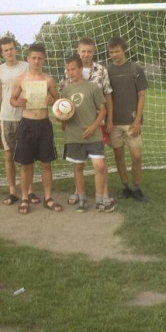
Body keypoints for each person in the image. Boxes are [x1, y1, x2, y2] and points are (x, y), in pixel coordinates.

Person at [59, 37, 113, 206]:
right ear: (78, 51)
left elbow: (108, 96)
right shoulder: (68, 73)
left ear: (94, 52)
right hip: (75, 125)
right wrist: (62, 119)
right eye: (83, 51)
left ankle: (103, 195)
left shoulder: (101, 70)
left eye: (89, 51)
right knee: (78, 163)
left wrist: (109, 119)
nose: (86, 54)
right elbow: (63, 100)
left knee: (100, 162)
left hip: (97, 123)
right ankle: (78, 193)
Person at [10, 43, 62, 215]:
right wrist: (17, 103)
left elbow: (58, 100)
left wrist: (52, 101)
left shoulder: (48, 79)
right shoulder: (21, 79)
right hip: (27, 123)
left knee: (46, 164)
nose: (36, 61)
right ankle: (25, 198)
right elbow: (12, 99)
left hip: (44, 124)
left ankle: (48, 198)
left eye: (40, 58)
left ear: (44, 59)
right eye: (33, 57)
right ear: (28, 59)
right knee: (26, 165)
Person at [0, 37, 39, 205]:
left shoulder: (26, 66)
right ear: (1, 52)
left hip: (26, 117)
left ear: (16, 49)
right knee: (8, 156)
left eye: (11, 49)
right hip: (6, 117)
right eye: (6, 50)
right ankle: (12, 190)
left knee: (28, 156)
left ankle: (30, 190)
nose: (9, 52)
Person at [107, 37, 148, 201]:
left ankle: (136, 187)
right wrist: (109, 120)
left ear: (124, 50)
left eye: (117, 51)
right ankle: (125, 186)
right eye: (111, 52)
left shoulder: (135, 68)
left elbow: (142, 95)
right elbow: (106, 96)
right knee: (118, 155)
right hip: (114, 123)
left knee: (136, 156)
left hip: (132, 122)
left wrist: (137, 120)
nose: (114, 54)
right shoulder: (107, 70)